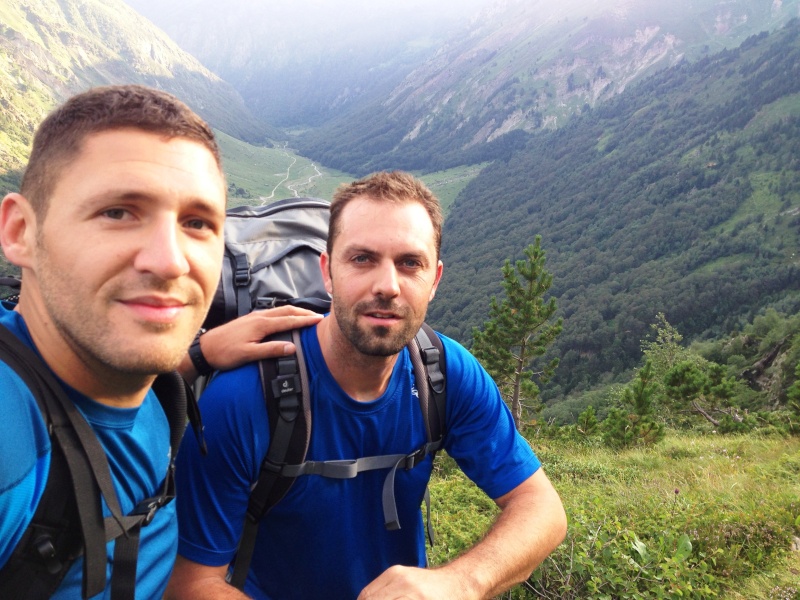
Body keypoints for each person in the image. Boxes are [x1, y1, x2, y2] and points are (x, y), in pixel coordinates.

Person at [167, 171, 567, 600]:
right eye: (362, 259)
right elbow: (190, 584)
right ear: (328, 271)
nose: (387, 286)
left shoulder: (444, 374)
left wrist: (460, 582)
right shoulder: (246, 396)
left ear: (434, 281)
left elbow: (541, 508)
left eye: (410, 263)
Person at [0, 84, 321, 598]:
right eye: (119, 212)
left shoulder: (133, 387)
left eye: (197, 223)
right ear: (20, 231)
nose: (170, 260)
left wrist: (199, 355)